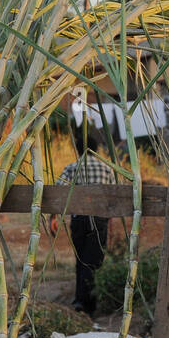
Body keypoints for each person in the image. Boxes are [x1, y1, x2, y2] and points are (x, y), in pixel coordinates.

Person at [50, 123, 116, 316]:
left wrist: (53, 217)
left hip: (79, 219)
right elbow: (113, 198)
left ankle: (81, 301)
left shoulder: (72, 168)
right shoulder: (106, 169)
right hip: (99, 219)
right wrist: (109, 220)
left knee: (81, 259)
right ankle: (90, 303)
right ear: (96, 150)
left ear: (77, 149)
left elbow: (58, 191)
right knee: (94, 260)